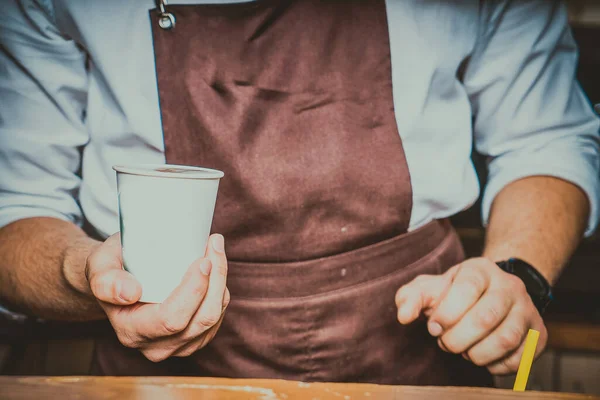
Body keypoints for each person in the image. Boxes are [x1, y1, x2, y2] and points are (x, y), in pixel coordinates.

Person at [0, 0, 598, 387]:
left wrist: (516, 272)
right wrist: (89, 274)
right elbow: (16, 208)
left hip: (419, 361)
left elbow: (546, 139)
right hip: (167, 378)